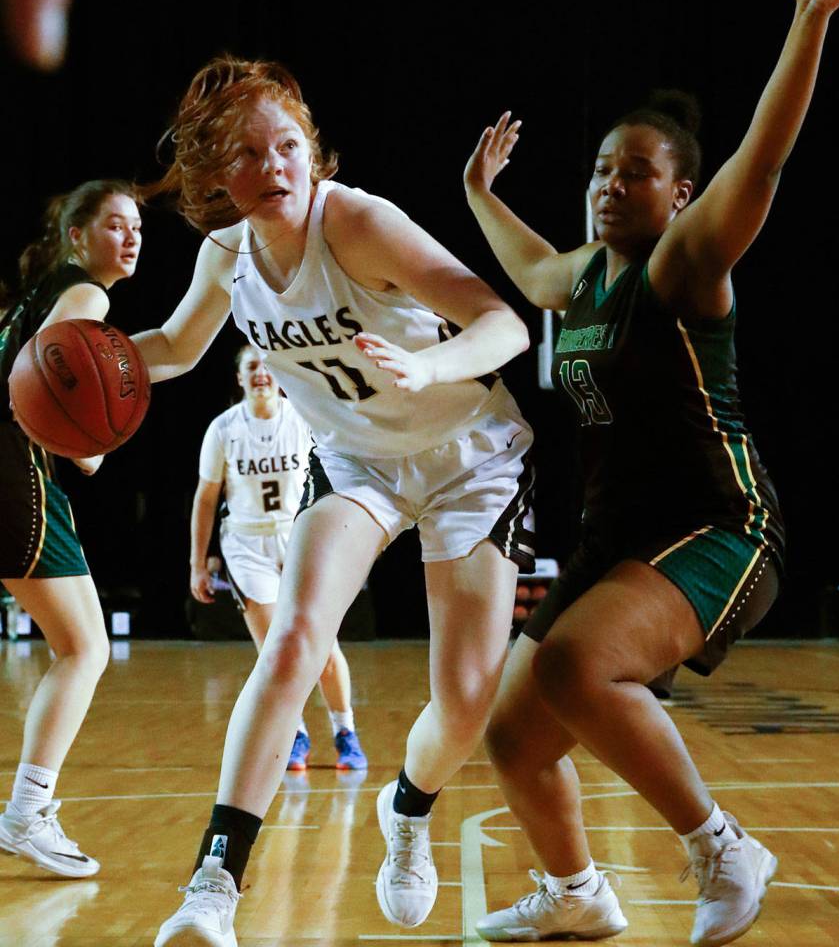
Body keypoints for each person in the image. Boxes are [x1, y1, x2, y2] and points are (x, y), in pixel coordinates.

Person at [462, 0, 839, 947]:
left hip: (722, 526)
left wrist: (810, 18)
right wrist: (480, 193)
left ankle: (721, 847)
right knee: (514, 734)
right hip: (622, 536)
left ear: (681, 193)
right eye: (602, 170)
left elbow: (767, 155)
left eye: (638, 172)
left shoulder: (685, 265)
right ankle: (575, 891)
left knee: (572, 670)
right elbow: (530, 271)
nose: (612, 184)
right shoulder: (585, 279)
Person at [132, 55, 535, 947]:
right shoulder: (225, 254)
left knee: (465, 702)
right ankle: (213, 886)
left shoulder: (356, 223)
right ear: (211, 176)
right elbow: (171, 345)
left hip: (470, 457)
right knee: (293, 640)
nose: (272, 167)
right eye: (245, 154)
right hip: (361, 469)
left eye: (288, 147)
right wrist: (89, 356)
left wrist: (429, 363)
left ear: (315, 155)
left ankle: (407, 810)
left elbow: (502, 320)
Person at [0, 179, 143, 877]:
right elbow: (32, 388)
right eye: (115, 224)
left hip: (16, 468)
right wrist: (87, 440)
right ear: (77, 236)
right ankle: (26, 814)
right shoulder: (88, 296)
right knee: (83, 648)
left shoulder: (40, 295)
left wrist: (82, 442)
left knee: (81, 647)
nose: (131, 236)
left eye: (137, 226)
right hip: (13, 475)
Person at [190, 343, 368, 771]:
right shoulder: (223, 429)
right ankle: (296, 734)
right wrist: (198, 562)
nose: (260, 374)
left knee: (322, 647)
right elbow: (206, 497)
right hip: (247, 546)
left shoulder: (304, 416)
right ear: (239, 378)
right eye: (250, 367)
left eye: (266, 366)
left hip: (300, 537)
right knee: (276, 652)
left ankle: (345, 730)